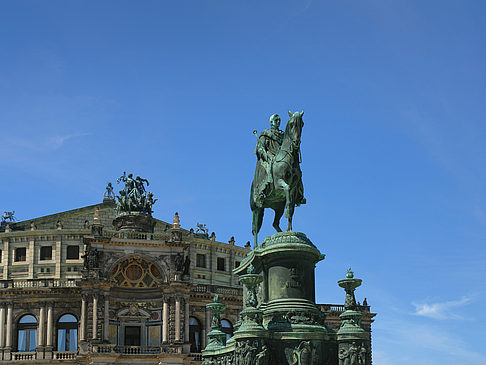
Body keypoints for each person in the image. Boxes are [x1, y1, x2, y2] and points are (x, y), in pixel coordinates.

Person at [254, 114, 284, 204]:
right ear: (271, 122)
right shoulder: (265, 134)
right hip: (269, 158)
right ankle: (262, 191)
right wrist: (266, 155)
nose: (278, 122)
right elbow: (259, 148)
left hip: (281, 159)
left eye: (279, 120)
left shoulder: (283, 135)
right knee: (270, 168)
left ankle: (298, 193)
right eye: (276, 120)